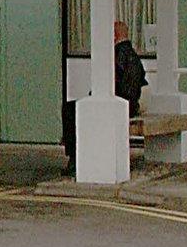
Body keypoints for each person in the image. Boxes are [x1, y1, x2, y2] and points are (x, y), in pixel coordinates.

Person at [63, 20, 149, 169]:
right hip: (131, 106)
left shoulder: (114, 57)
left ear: (114, 36)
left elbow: (107, 83)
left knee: (70, 109)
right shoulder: (135, 57)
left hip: (118, 106)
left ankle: (74, 157)